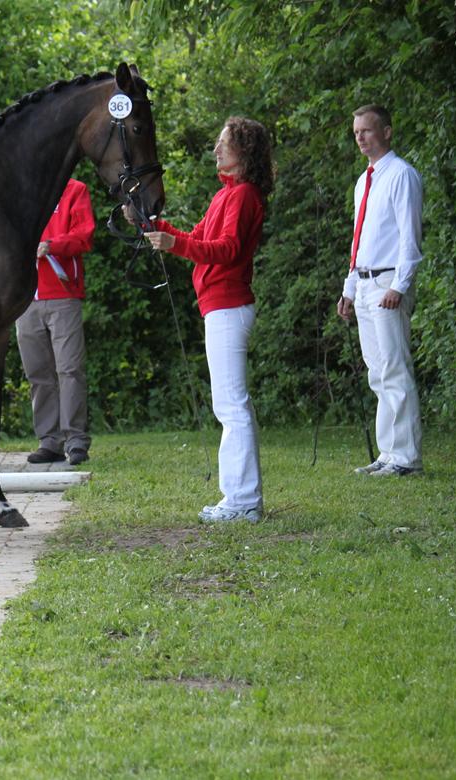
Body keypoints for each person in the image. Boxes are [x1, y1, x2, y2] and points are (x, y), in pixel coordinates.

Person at [135, 116, 274, 523]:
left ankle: (243, 501)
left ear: (243, 151)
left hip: (229, 305)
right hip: (219, 305)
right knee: (228, 405)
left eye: (223, 143)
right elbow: (197, 239)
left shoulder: (243, 195)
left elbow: (227, 249)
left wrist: (173, 243)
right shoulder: (224, 196)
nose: (216, 150)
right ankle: (239, 498)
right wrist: (152, 226)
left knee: (232, 406)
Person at [337, 105, 424, 477]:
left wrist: (400, 285)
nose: (360, 137)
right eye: (357, 131)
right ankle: (388, 453)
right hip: (366, 281)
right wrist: (350, 289)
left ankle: (406, 457)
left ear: (386, 132)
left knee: (395, 367)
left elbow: (409, 235)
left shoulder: (401, 175)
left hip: (389, 282)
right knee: (378, 370)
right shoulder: (364, 181)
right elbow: (362, 239)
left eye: (368, 130)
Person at [16, 178, 96, 467]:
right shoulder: (24, 188)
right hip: (26, 296)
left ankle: (75, 440)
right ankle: (49, 441)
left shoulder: (75, 190)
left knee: (70, 369)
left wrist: (51, 245)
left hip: (63, 294)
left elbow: (85, 235)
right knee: (37, 373)